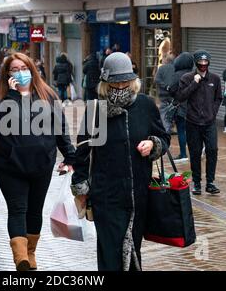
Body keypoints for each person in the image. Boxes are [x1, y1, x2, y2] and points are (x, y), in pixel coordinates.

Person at [72, 52, 170, 271]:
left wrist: (153, 145)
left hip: (138, 195)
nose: (120, 86)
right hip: (106, 197)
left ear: (133, 81)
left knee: (134, 248)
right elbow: (82, 152)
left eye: (125, 81)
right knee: (110, 251)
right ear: (106, 83)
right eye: (115, 82)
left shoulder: (145, 105)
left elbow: (163, 138)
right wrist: (81, 186)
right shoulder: (96, 110)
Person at [0, 52, 75, 271]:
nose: (20, 73)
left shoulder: (47, 94)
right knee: (17, 209)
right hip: (10, 165)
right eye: (14, 69)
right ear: (7, 74)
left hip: (41, 164)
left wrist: (71, 156)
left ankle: (30, 253)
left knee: (35, 210)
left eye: (23, 68)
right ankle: (20, 259)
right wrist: (13, 95)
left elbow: (60, 128)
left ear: (31, 70)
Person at [176, 50, 223, 195]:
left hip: (209, 123)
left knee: (212, 150)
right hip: (192, 122)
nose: (203, 65)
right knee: (195, 153)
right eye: (200, 62)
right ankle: (196, 183)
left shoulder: (214, 79)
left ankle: (210, 182)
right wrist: (194, 83)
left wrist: (213, 112)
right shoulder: (187, 78)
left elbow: (218, 98)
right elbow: (181, 97)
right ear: (196, 63)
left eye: (205, 62)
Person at [170, 52, 194, 161]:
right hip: (194, 107)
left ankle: (183, 154)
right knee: (194, 130)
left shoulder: (177, 75)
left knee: (181, 130)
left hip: (181, 107)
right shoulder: (194, 73)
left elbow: (172, 90)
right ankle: (200, 149)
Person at [154, 53, 176, 133]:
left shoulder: (162, 68)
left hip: (163, 94)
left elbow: (156, 79)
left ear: (166, 60)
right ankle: (170, 127)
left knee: (163, 111)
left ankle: (165, 130)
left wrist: (165, 86)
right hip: (173, 94)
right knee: (173, 110)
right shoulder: (176, 69)